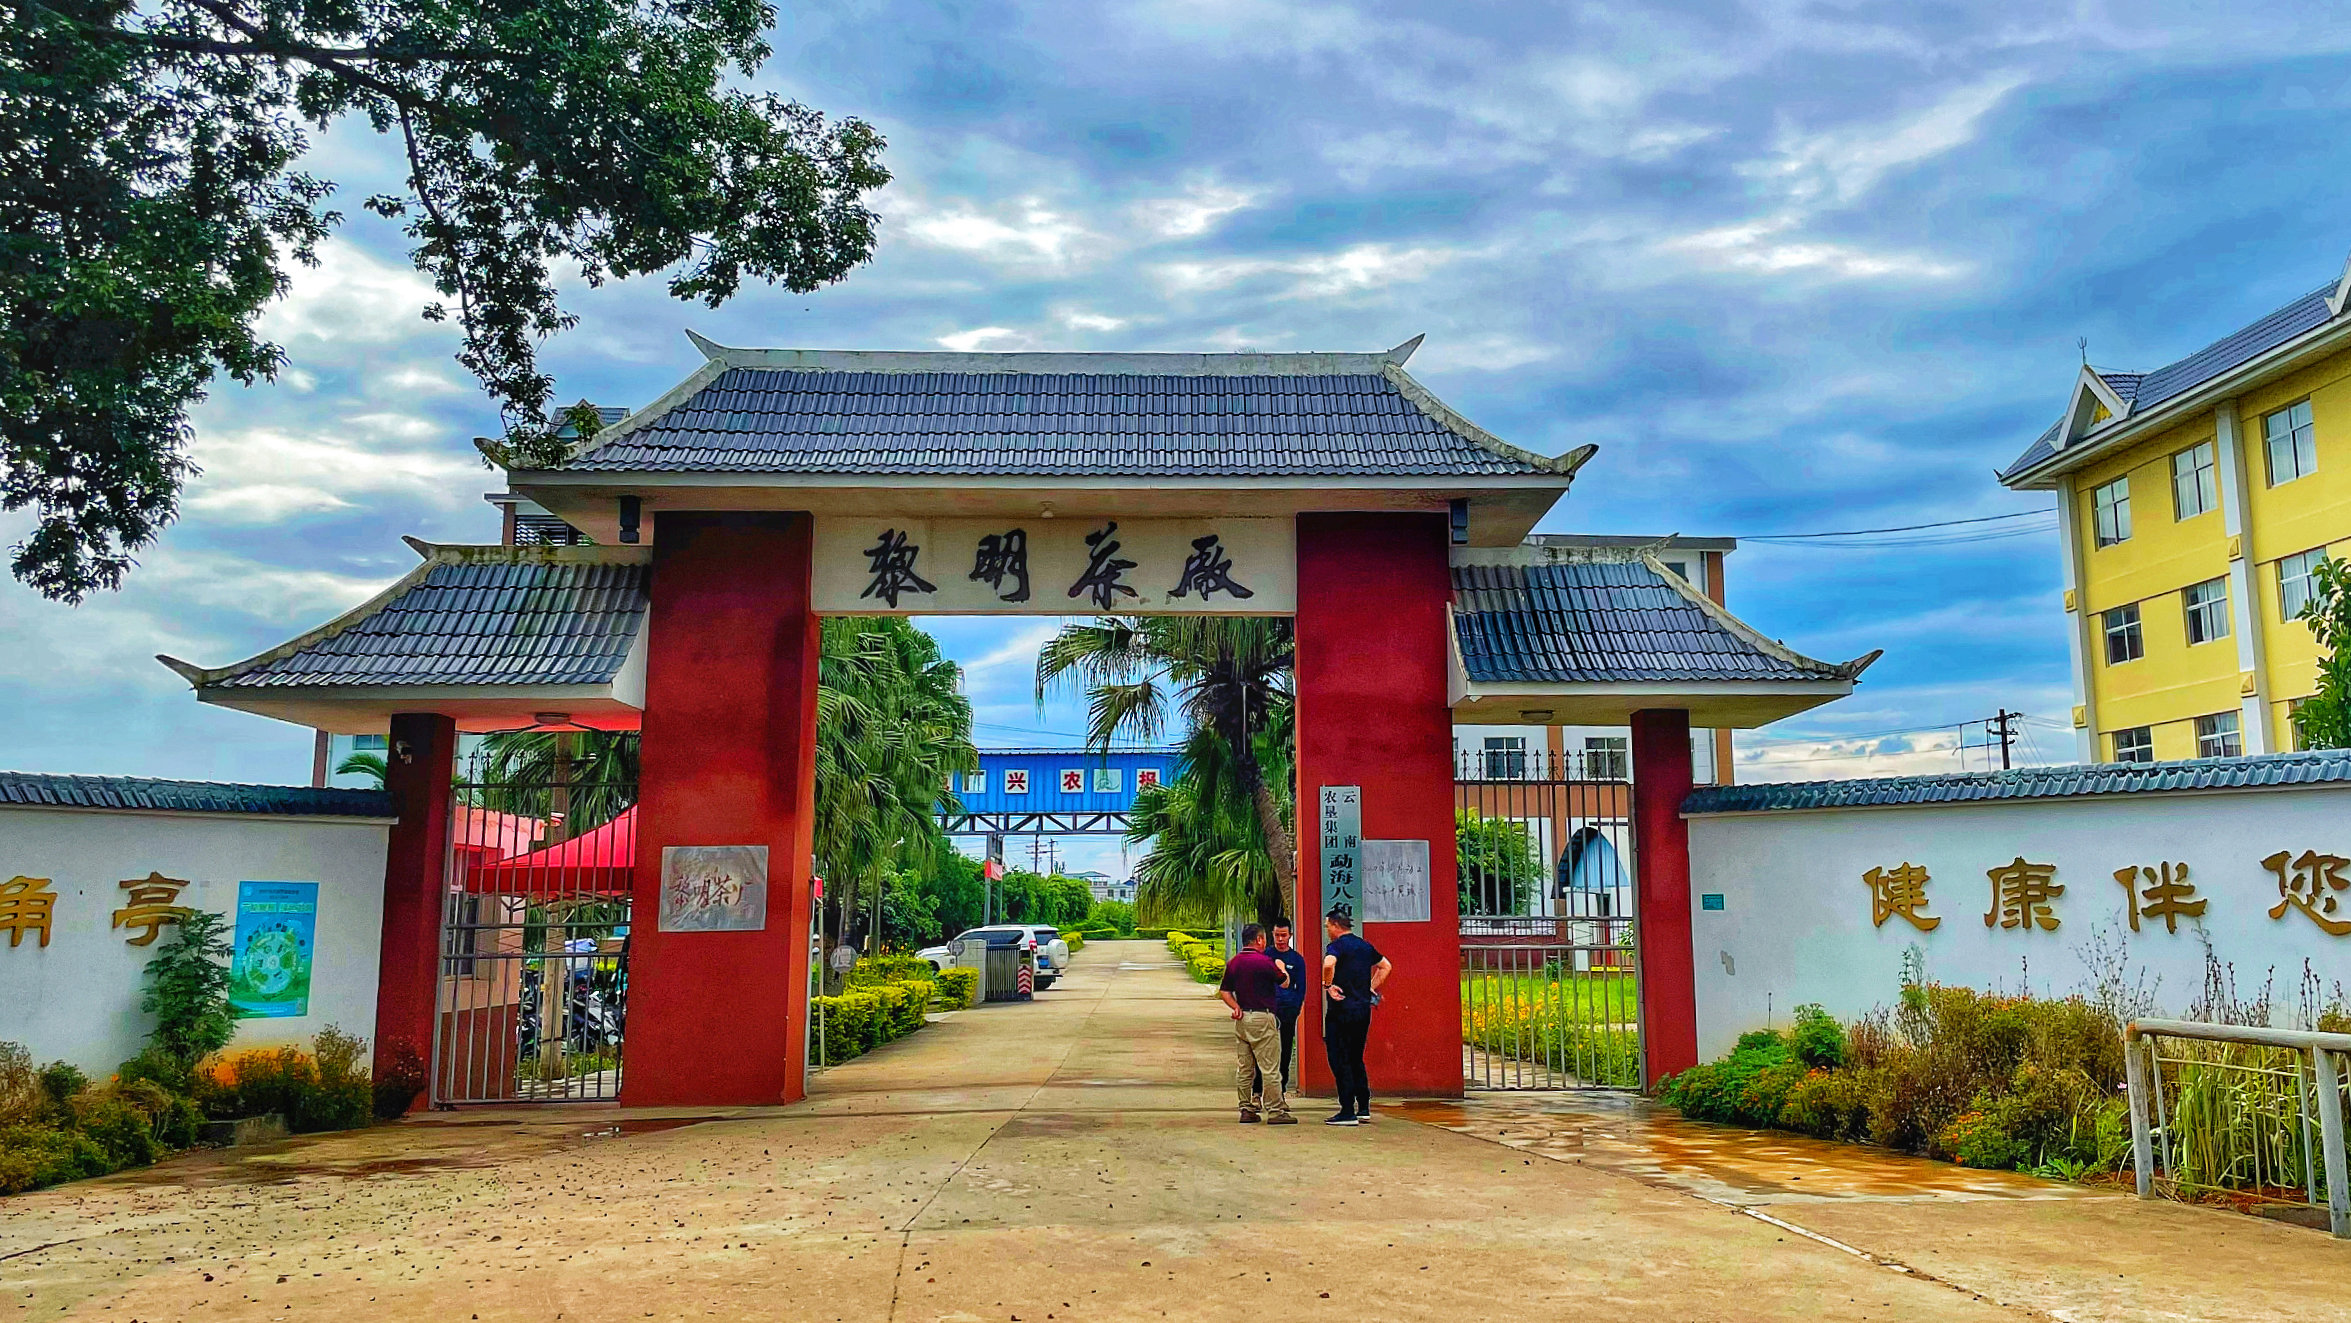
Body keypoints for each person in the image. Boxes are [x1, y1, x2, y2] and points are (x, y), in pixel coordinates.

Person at [1319, 907, 1390, 1126]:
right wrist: (1370, 988)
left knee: (1339, 1058)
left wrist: (1327, 985)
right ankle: (1364, 1107)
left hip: (1341, 1011)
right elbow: (1386, 966)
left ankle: (1347, 1110)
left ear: (1334, 925)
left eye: (1327, 926)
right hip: (1362, 1010)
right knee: (1356, 1057)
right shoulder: (1364, 946)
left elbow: (1328, 964)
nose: (1327, 931)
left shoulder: (1336, 946)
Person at [1217, 923, 1294, 1124]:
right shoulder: (1265, 962)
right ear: (1259, 940)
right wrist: (1282, 968)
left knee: (1244, 1067)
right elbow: (1284, 982)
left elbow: (1224, 991)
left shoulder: (1234, 962)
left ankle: (1245, 1108)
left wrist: (1235, 1007)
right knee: (1269, 1067)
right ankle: (1276, 1110)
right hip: (1263, 1018)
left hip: (1243, 1019)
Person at [1264, 919, 1308, 1094]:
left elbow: (1301, 988)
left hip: (1288, 1010)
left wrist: (1296, 1006)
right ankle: (1262, 1089)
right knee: (1266, 1049)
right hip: (1267, 1010)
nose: (1280, 939)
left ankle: (1281, 1088)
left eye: (1283, 935)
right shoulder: (1266, 955)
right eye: (1277, 935)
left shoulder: (1296, 959)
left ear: (1290, 935)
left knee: (1286, 1049)